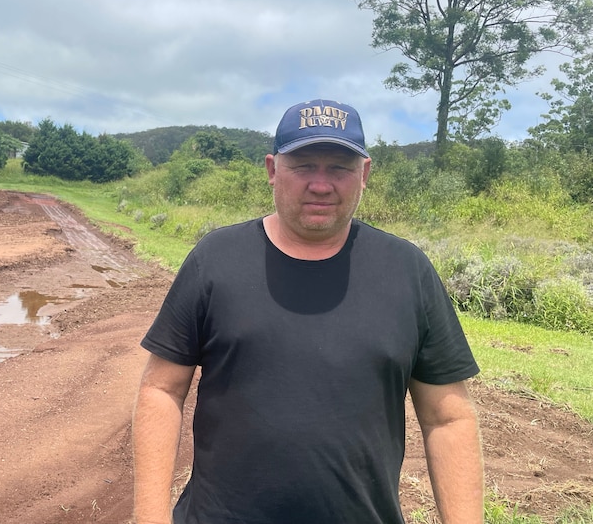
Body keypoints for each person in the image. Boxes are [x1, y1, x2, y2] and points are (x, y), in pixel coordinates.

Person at [132, 99, 484, 524]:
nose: (321, 184)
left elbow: (448, 418)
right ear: (271, 170)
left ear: (365, 174)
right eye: (303, 166)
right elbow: (162, 390)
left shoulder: (407, 271)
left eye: (339, 167)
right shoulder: (216, 259)